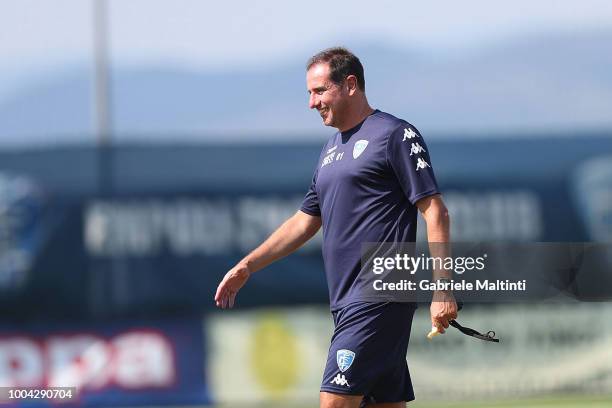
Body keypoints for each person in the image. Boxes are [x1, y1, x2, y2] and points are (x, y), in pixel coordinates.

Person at [215, 47, 458, 408]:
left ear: (349, 85)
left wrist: (443, 289)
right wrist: (248, 265)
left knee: (334, 403)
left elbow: (435, 212)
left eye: (319, 91)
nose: (312, 103)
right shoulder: (330, 149)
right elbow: (304, 222)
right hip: (346, 301)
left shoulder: (394, 134)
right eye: (309, 93)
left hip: (379, 294)